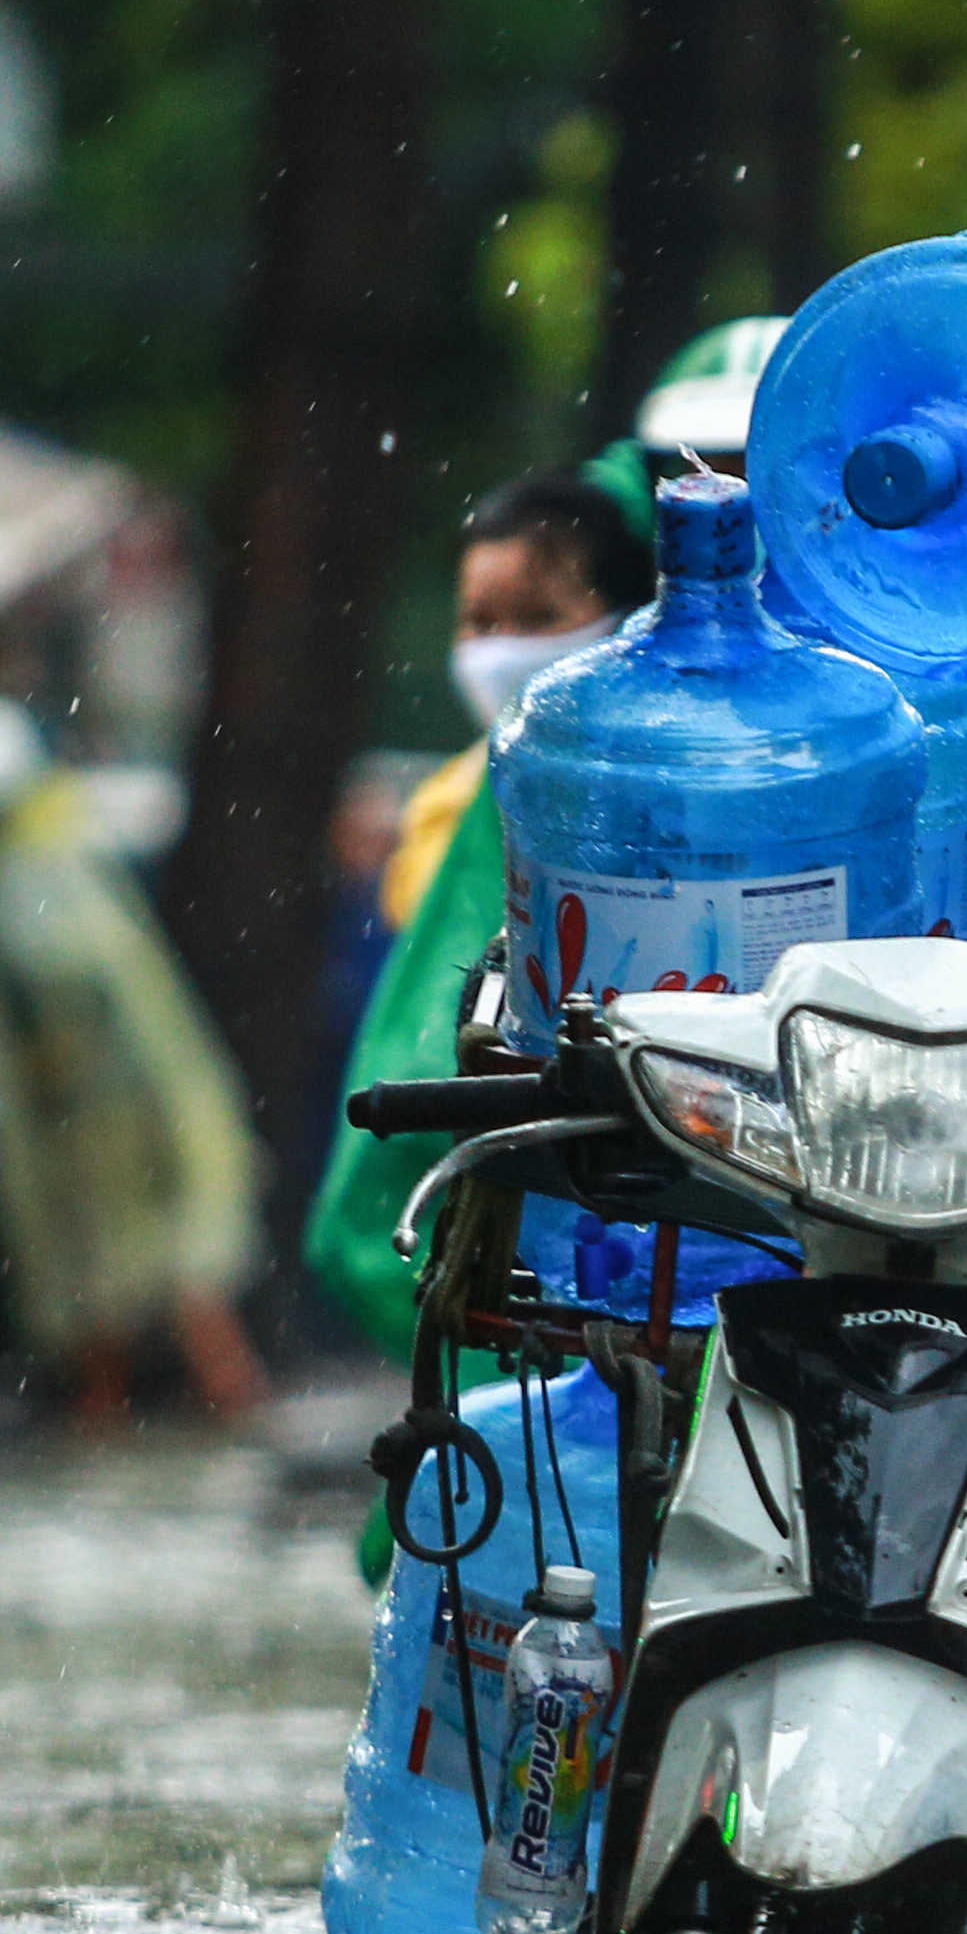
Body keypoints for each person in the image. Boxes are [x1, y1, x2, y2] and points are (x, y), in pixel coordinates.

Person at [294, 452, 666, 1368]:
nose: (500, 648)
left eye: (539, 619)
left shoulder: (638, 782)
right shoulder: (454, 805)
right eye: (478, 622)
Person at [0, 693, 269, 1430]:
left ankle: (147, 1427)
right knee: (134, 1304)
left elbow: (71, 1003)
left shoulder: (33, 872)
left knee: (158, 1299)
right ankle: (116, 1428)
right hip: (105, 1134)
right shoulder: (53, 856)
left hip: (109, 1139)